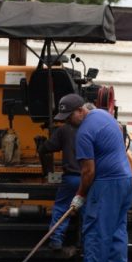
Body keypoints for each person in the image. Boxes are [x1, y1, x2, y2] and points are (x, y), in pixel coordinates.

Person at [55, 93, 132, 262]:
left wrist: (79, 196)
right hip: (125, 180)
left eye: (69, 117)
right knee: (116, 229)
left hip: (107, 184)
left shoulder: (83, 133)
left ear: (80, 111)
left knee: (95, 229)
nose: (67, 123)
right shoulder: (103, 115)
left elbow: (88, 172)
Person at [36, 106, 87, 254]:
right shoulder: (92, 129)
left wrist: (41, 146)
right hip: (88, 178)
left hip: (71, 178)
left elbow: (49, 147)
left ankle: (56, 240)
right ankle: (85, 243)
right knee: (87, 211)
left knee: (62, 207)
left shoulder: (65, 130)